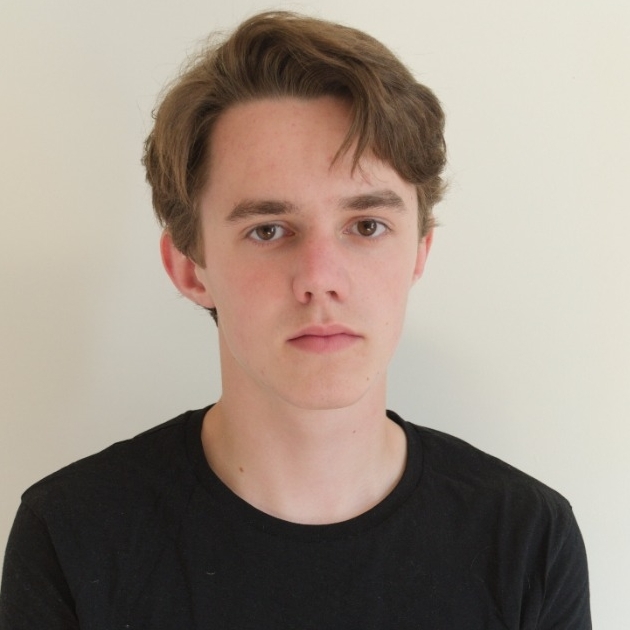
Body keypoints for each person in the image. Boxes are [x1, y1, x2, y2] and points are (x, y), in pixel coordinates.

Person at [0, 11, 590, 629]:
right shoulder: (71, 535)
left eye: (367, 226)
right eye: (269, 230)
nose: (320, 277)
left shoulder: (528, 540)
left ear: (419, 251)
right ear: (190, 268)